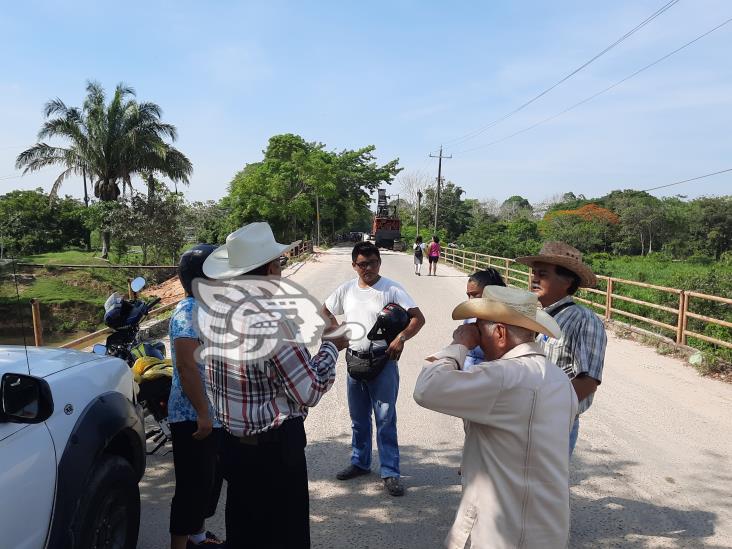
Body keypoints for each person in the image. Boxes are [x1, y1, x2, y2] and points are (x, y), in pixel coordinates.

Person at [199, 222, 348, 549]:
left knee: (245, 533)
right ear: (269, 269)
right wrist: (332, 346)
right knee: (285, 537)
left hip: (234, 448)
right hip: (273, 455)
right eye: (279, 264)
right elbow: (308, 390)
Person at [414, 286, 578, 548]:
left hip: (499, 534)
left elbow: (427, 388)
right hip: (549, 531)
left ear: (500, 332)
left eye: (479, 330)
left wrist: (459, 344)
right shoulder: (561, 381)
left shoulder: (504, 376)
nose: (477, 339)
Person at [323, 241, 425, 497]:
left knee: (385, 418)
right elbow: (325, 309)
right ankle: (360, 462)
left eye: (372, 263)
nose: (367, 268)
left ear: (379, 262)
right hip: (355, 360)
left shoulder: (391, 288)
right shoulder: (346, 290)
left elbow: (418, 318)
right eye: (361, 264)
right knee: (358, 419)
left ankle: (390, 472)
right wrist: (337, 331)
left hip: (383, 360)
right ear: (354, 265)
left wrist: (400, 338)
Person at [516, 241, 607, 457]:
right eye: (534, 272)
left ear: (567, 281)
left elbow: (589, 380)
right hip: (525, 418)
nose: (534, 278)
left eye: (543, 274)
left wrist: (545, 410)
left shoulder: (584, 320)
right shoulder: (536, 316)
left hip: (551, 424)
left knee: (541, 486)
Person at [168, 244, 225, 549]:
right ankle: (179, 545)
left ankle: (198, 538)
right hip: (192, 415)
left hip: (210, 413)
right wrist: (203, 412)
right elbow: (187, 366)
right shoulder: (187, 311)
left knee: (207, 482)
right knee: (191, 486)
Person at [462, 269, 506, 371]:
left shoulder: (504, 324)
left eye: (475, 294)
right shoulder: (470, 318)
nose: (470, 300)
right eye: (468, 295)